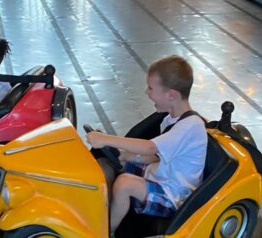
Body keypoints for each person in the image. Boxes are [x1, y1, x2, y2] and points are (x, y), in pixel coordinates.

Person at [86, 55, 208, 233]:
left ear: (171, 95)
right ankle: (102, 210)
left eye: (151, 88)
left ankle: (107, 231)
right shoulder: (171, 119)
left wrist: (105, 138)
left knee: (124, 183)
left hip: (174, 197)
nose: (147, 93)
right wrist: (127, 156)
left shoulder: (190, 126)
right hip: (162, 177)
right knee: (109, 164)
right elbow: (157, 155)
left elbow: (150, 147)